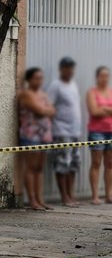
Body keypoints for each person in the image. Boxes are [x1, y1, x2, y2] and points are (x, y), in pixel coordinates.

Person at [18, 67, 55, 211]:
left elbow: (52, 111)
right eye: (36, 78)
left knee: (40, 167)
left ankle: (40, 199)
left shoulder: (43, 94)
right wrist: (45, 110)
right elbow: (39, 111)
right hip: (30, 134)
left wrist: (46, 110)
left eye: (41, 78)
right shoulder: (25, 94)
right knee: (31, 167)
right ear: (29, 79)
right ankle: (32, 200)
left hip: (44, 134)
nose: (39, 81)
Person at [86, 66, 112, 205]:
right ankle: (95, 196)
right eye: (102, 76)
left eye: (106, 76)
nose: (104, 78)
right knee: (96, 163)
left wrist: (105, 108)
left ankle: (109, 195)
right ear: (97, 77)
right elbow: (94, 111)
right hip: (97, 131)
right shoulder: (92, 92)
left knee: (110, 164)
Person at [47, 57, 82, 207]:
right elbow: (49, 107)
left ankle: (71, 195)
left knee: (73, 165)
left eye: (72, 68)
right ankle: (64, 197)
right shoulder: (56, 86)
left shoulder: (73, 85)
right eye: (67, 68)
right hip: (61, 131)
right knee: (62, 165)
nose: (70, 71)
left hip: (75, 132)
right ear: (61, 69)